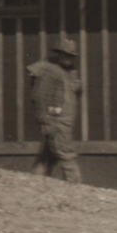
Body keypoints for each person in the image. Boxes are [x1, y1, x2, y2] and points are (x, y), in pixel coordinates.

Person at [28, 37, 83, 182]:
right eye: (65, 54)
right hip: (56, 122)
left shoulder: (66, 72)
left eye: (71, 56)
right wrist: (45, 122)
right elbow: (38, 96)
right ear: (58, 54)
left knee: (47, 158)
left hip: (62, 123)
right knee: (67, 155)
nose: (68, 58)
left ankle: (33, 186)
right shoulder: (50, 71)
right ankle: (77, 190)